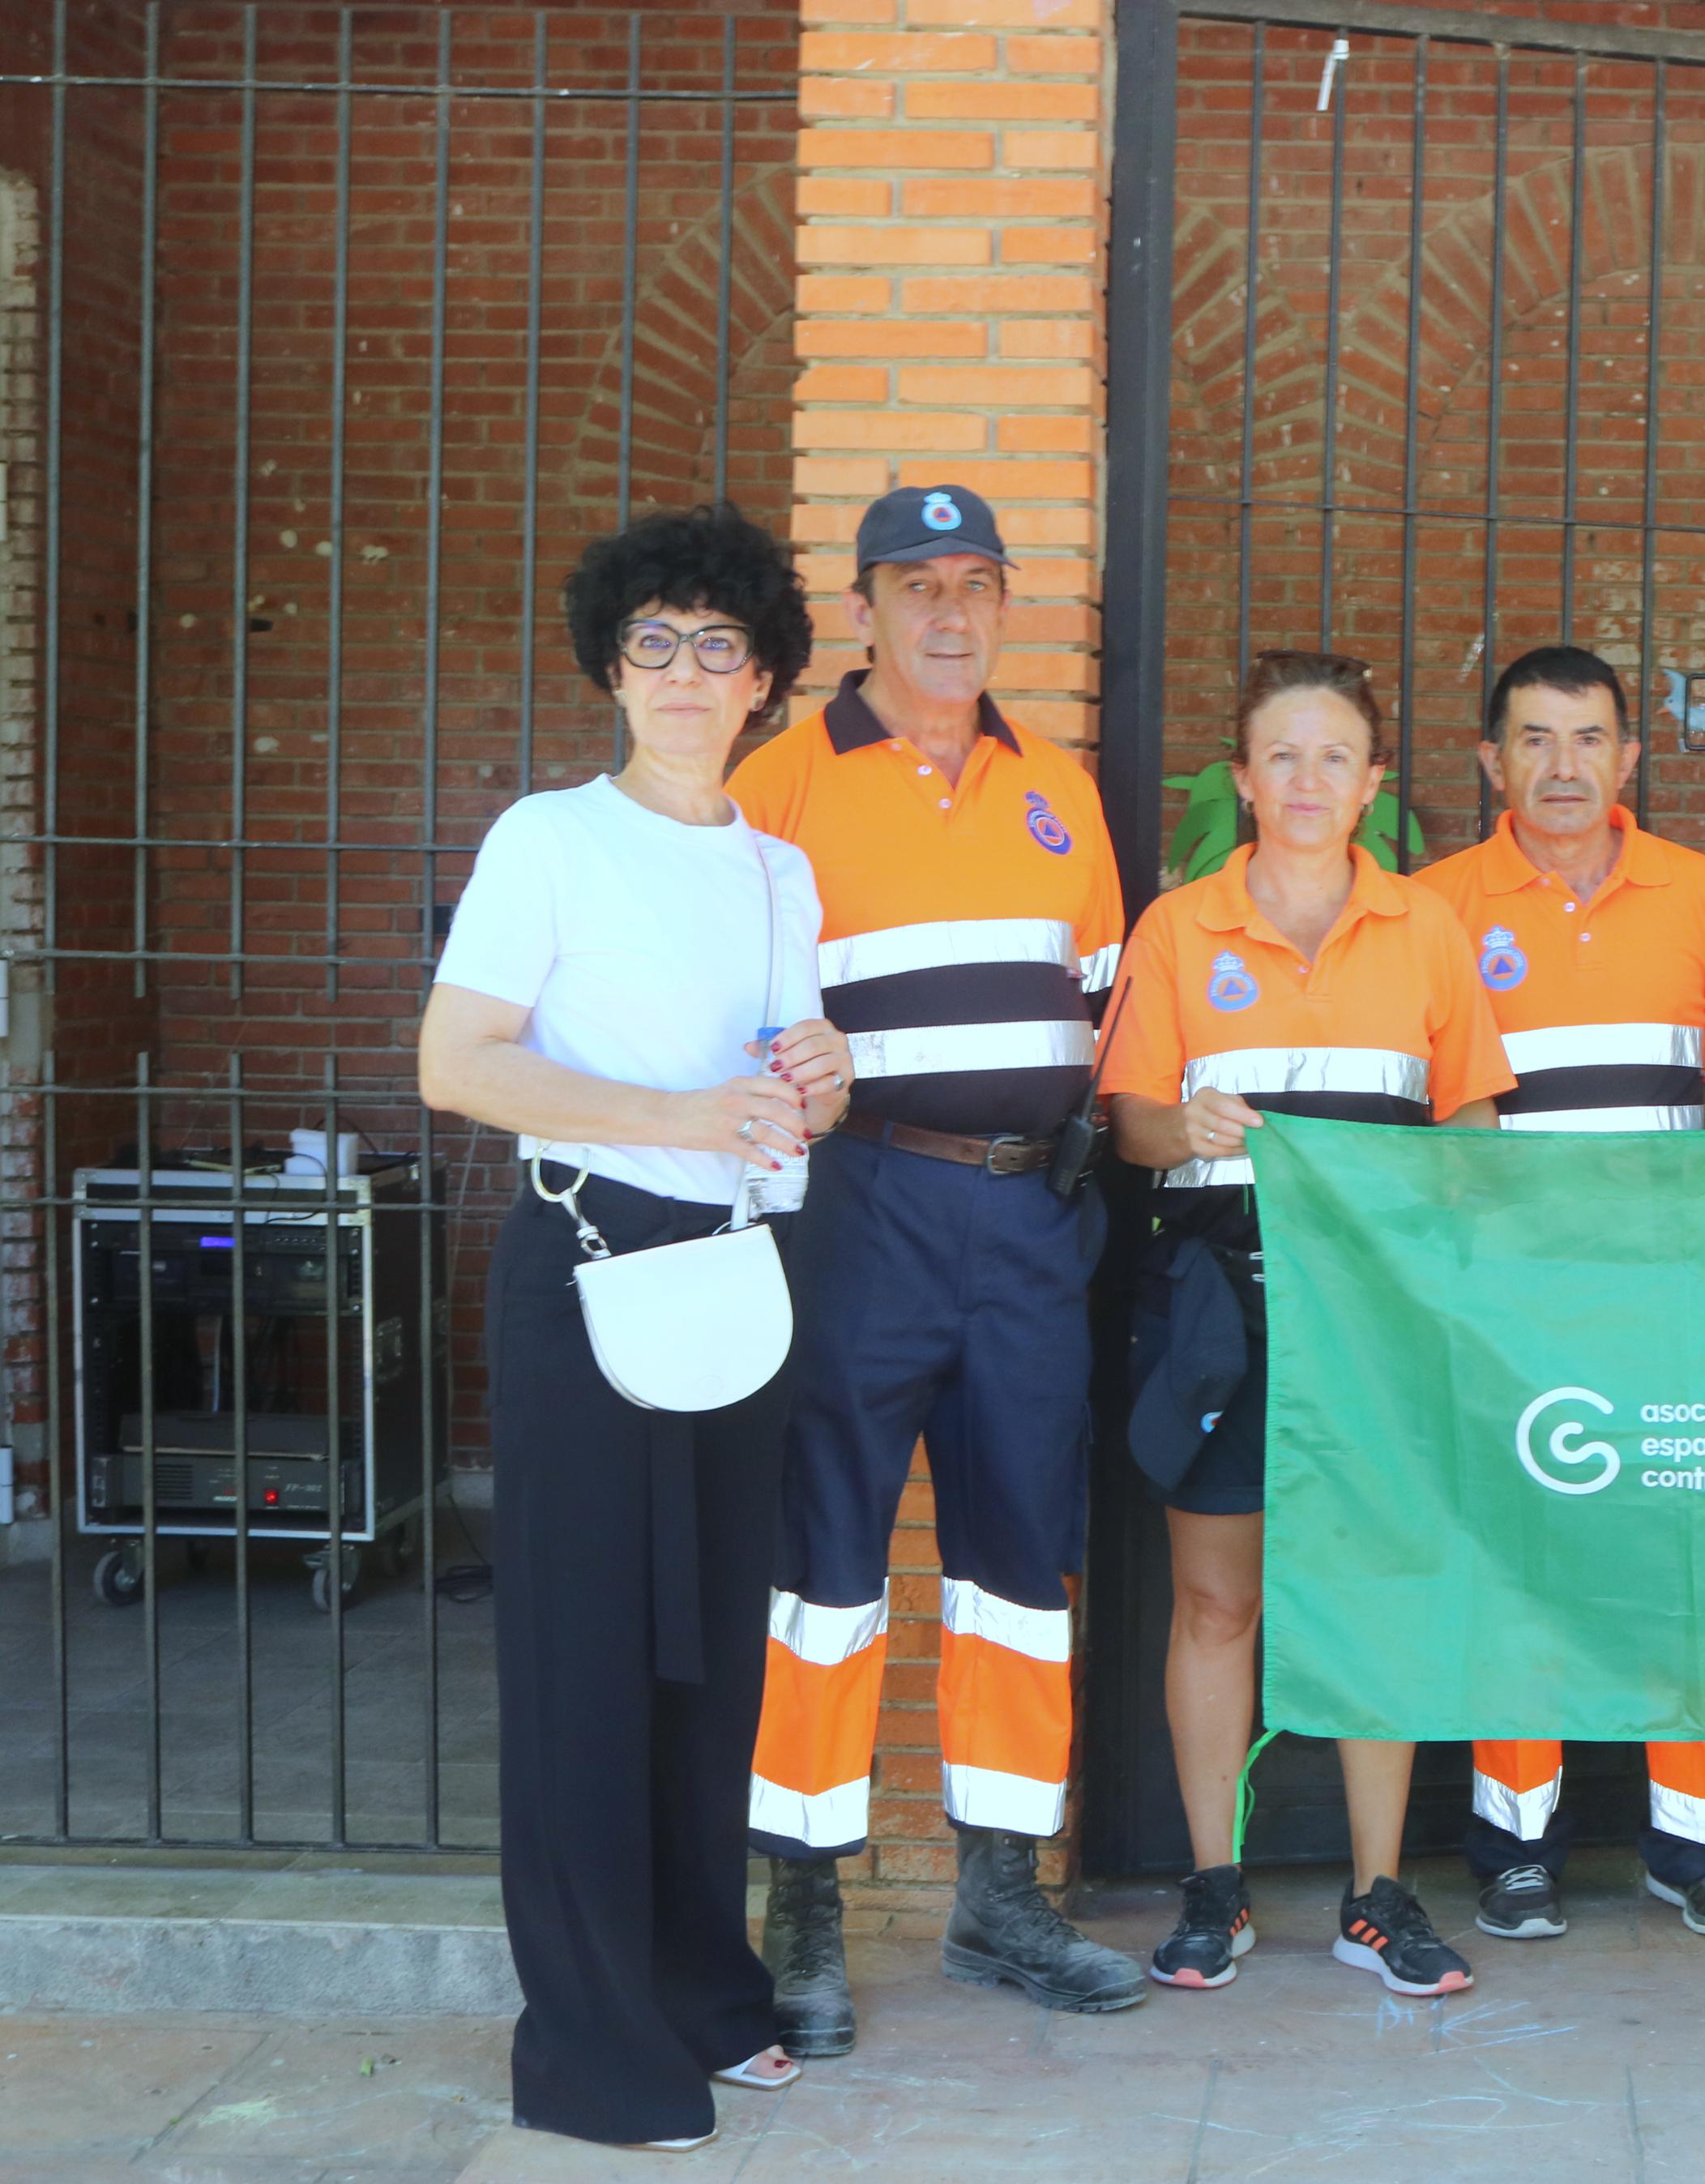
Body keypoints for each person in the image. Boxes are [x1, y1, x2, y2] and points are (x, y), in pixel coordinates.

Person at [421, 502, 848, 2149]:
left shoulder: (777, 866)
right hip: (590, 1265)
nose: (685, 671)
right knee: (588, 1668)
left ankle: (702, 1989)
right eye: (655, 641)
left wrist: (832, 1072)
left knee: (705, 1665)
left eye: (717, 644)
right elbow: (459, 1063)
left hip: (736, 1280)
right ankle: (593, 2048)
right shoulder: (549, 839)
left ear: (762, 679)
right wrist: (678, 1117)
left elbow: (800, 1057)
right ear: (612, 663)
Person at [733, 484, 1137, 2051]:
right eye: (919, 587)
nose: (951, 615)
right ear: (865, 608)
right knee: (824, 1572)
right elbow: (734, 1013)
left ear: (1006, 604)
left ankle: (1001, 1900)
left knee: (1019, 1575)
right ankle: (807, 1920)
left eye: (978, 583)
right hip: (862, 1211)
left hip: (1029, 1223)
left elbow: (1096, 1001)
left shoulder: (1060, 786)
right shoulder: (781, 782)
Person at [1102, 649, 1516, 1998]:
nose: (1306, 781)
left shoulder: (1428, 930)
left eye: (1333, 757)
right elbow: (1134, 1123)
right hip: (1223, 1304)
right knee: (1218, 1602)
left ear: (1373, 784)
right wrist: (1185, 1125)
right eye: (1280, 756)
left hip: (1379, 1315)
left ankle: (1375, 1897)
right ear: (1243, 778)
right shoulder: (1180, 930)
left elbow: (1472, 1115)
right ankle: (1213, 1889)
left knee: (1379, 1593)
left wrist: (1444, 1181)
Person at [1412, 644, 1705, 1943]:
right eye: (1533, 739)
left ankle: (1697, 1850)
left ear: (1631, 759)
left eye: (1587, 740)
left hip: (1670, 1287)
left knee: (1689, 1550)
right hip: (1510, 1299)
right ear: (1490, 760)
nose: (1561, 766)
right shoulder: (1433, 905)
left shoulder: (1700, 899)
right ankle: (1516, 1849)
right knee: (1521, 1559)